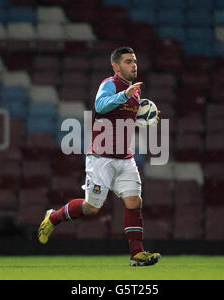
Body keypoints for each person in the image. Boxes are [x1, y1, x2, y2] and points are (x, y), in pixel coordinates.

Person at [38, 47, 161, 266]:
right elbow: (100, 106)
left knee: (134, 201)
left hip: (125, 158)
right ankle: (53, 218)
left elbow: (127, 116)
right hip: (101, 158)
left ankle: (137, 254)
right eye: (128, 61)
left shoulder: (135, 91)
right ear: (116, 66)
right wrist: (125, 94)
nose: (134, 65)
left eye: (134, 61)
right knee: (92, 208)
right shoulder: (110, 84)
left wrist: (147, 116)